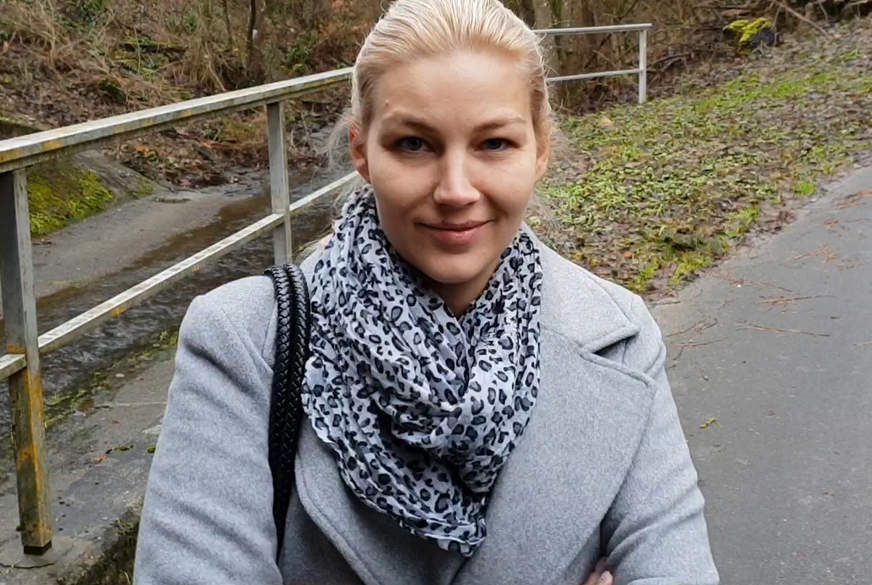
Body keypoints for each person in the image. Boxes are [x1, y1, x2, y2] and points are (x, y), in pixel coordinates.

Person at [133, 0, 719, 583]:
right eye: (414, 144)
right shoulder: (243, 343)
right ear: (362, 152)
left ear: (540, 150)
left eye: (494, 143)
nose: (456, 190)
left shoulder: (620, 338)